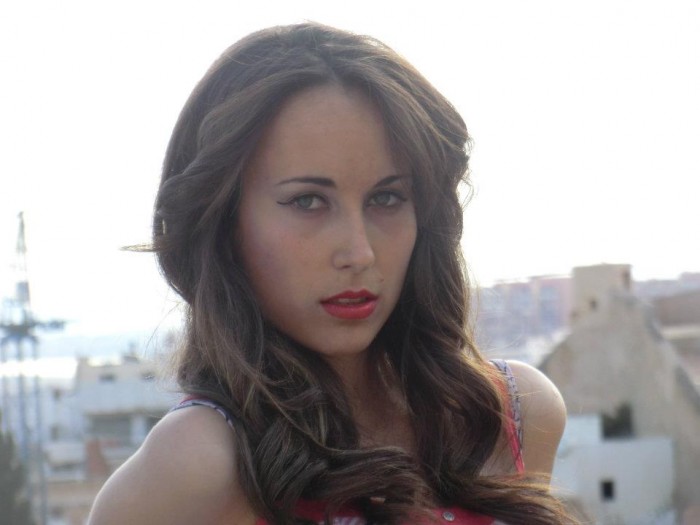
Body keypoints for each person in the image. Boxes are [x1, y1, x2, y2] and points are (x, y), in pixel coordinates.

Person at [88, 23, 573, 525]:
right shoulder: (198, 465)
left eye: (387, 197)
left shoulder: (514, 415)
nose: (359, 252)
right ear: (224, 222)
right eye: (308, 202)